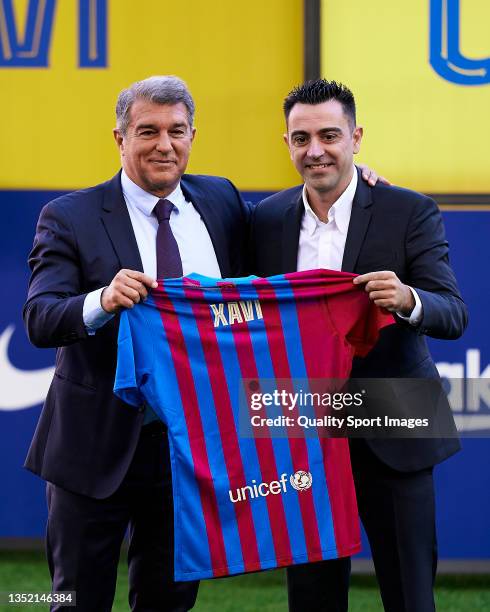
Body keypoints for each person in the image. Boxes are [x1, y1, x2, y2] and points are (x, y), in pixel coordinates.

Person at [22, 75, 251, 612]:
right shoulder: (69, 216)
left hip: (187, 449)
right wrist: (103, 299)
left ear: (194, 135)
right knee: (76, 602)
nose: (164, 145)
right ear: (119, 138)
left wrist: (354, 180)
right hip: (93, 449)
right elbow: (39, 318)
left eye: (177, 131)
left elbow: (293, 231)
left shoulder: (221, 201)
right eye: (147, 131)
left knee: (169, 603)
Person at [250, 79, 468, 612]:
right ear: (287, 144)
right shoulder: (264, 218)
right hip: (303, 423)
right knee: (312, 594)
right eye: (301, 139)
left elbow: (452, 313)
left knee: (409, 591)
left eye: (329, 135)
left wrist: (408, 297)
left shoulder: (408, 210)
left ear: (356, 137)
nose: (316, 150)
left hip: (393, 416)